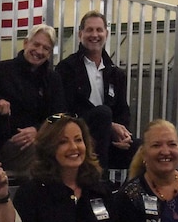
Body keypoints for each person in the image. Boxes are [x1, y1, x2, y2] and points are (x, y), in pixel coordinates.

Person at [0, 24, 66, 177]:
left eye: (45, 48)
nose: (39, 51)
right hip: (5, 143)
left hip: (40, 140)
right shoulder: (0, 70)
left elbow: (59, 115)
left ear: (50, 53)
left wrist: (37, 131)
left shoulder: (54, 79)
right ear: (26, 43)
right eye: (36, 44)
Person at [56, 10, 135, 173]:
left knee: (141, 148)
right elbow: (65, 110)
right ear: (80, 34)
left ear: (106, 33)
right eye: (89, 30)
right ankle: (99, 183)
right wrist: (109, 124)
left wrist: (123, 134)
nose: (95, 34)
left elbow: (122, 110)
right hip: (78, 133)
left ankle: (133, 195)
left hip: (108, 139)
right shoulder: (66, 68)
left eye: (99, 30)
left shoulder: (116, 73)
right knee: (103, 114)